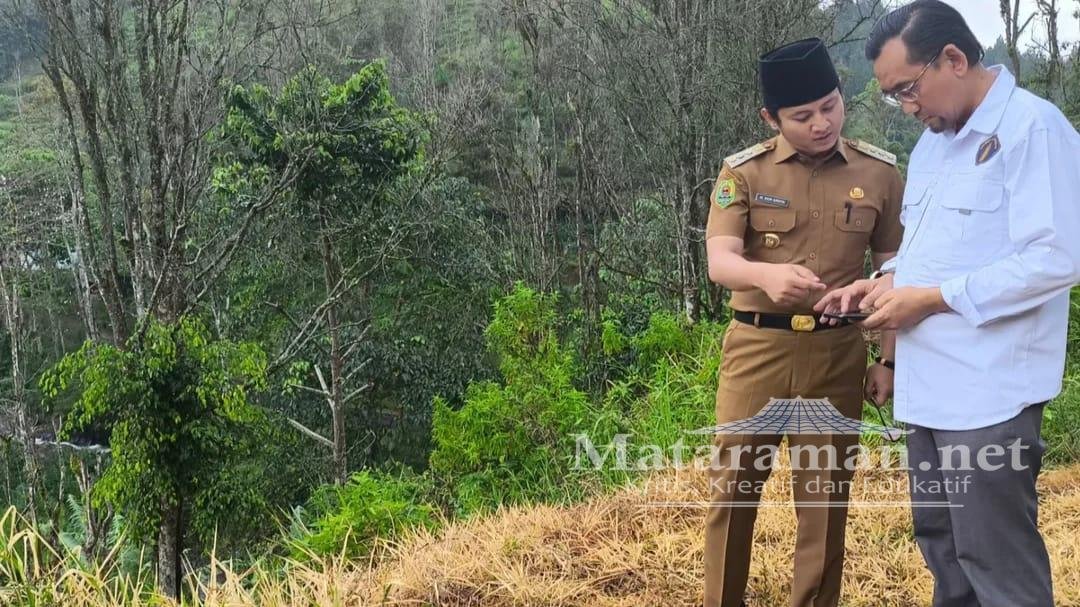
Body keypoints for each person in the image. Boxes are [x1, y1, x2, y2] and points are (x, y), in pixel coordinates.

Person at [815, 2, 1080, 605]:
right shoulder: (935, 146)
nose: (908, 107)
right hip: (930, 389)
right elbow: (934, 249)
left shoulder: (1032, 130)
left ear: (954, 60)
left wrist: (931, 300)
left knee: (994, 556)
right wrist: (882, 280)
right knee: (942, 545)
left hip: (989, 394)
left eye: (908, 88)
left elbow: (1058, 258)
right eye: (893, 96)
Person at [703, 37, 904, 607]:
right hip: (756, 353)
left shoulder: (880, 174)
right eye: (803, 115)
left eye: (830, 106)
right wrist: (764, 277)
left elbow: (896, 273)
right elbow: (719, 260)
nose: (822, 123)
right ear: (771, 117)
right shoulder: (743, 172)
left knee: (823, 503)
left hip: (837, 355)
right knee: (733, 494)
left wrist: (887, 359)